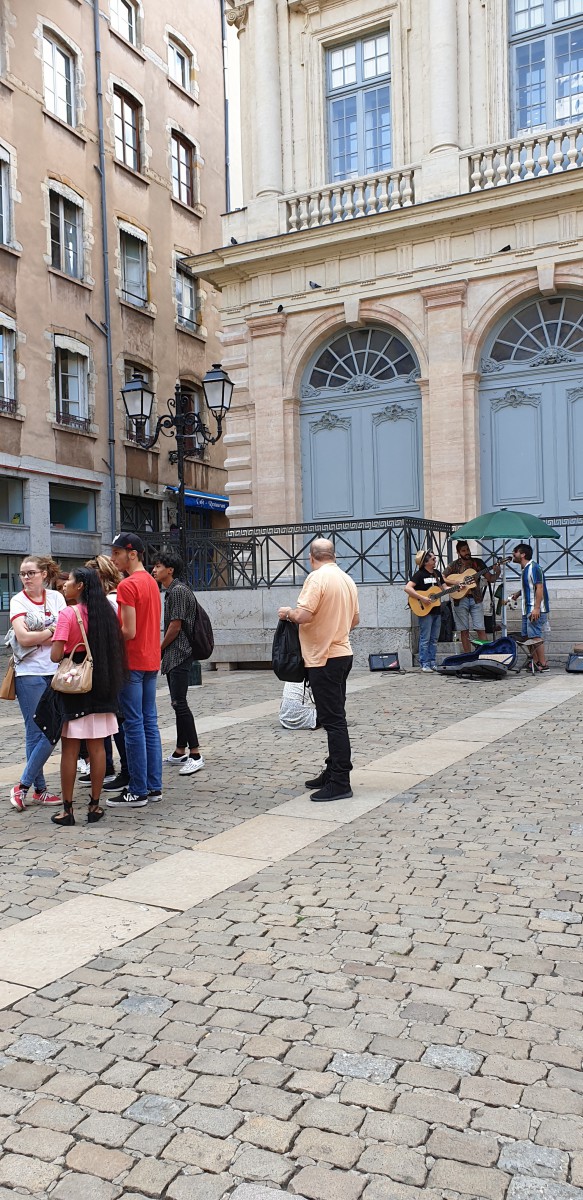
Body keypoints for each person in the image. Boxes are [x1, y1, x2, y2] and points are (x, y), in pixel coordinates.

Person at [278, 538, 359, 803]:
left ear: (311, 557)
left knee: (333, 721)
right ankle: (332, 770)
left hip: (323, 658)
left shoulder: (316, 578)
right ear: (333, 555)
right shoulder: (347, 579)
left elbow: (304, 615)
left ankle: (340, 782)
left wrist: (287, 612)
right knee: (333, 716)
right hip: (342, 653)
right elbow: (355, 619)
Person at [49, 567, 127, 827]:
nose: (64, 585)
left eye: (69, 580)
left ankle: (68, 810)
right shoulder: (107, 613)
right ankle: (94, 806)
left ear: (80, 585)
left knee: (70, 749)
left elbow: (55, 655)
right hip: (102, 684)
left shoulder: (67, 614)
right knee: (98, 747)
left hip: (75, 685)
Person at [107, 532, 163, 809]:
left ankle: (138, 790)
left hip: (132, 662)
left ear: (132, 553)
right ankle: (153, 787)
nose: (112, 558)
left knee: (133, 726)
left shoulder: (128, 585)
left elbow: (128, 631)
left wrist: (105, 637)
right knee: (148, 724)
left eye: (116, 553)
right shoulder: (152, 582)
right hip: (150, 660)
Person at [9, 556, 66, 811]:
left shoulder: (56, 598)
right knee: (36, 731)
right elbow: (22, 637)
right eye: (22, 574)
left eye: (31, 573)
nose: (26, 578)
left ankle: (24, 786)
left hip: (55, 671)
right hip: (28, 673)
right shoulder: (17, 601)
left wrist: (41, 635)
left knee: (53, 728)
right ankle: (37, 790)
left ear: (44, 574)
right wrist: (51, 633)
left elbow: (65, 633)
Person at [151, 551, 204, 776]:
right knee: (176, 702)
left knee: (179, 703)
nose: (154, 569)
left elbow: (175, 626)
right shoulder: (172, 591)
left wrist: (158, 648)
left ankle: (195, 754)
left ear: (170, 569)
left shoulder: (179, 591)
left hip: (180, 653)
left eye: (158, 566)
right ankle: (180, 750)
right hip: (175, 654)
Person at [84, 555, 129, 791]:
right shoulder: (113, 598)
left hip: (112, 669)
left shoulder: (110, 601)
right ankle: (113, 767)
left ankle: (127, 770)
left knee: (118, 722)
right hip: (114, 667)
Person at [444, 540, 500, 653]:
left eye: (468, 549)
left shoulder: (477, 563)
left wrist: (497, 572)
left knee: (480, 628)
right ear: (458, 552)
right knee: (464, 630)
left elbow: (490, 579)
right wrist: (455, 583)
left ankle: (484, 654)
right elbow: (442, 577)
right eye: (463, 551)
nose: (467, 552)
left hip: (476, 599)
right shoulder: (454, 565)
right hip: (459, 600)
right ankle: (467, 655)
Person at [510, 543, 550, 671]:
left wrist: (537, 608)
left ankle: (543, 664)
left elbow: (539, 587)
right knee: (527, 636)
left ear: (523, 554)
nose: (513, 555)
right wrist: (517, 594)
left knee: (535, 635)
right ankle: (535, 661)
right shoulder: (525, 569)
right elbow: (530, 586)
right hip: (526, 608)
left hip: (534, 608)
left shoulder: (534, 567)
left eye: (515, 552)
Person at [404, 549, 446, 672]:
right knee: (425, 638)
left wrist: (457, 588)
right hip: (425, 610)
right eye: (433, 559)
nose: (435, 560)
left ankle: (433, 662)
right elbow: (407, 588)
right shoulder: (419, 575)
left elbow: (444, 588)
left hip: (436, 609)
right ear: (426, 562)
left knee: (434, 639)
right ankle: (424, 663)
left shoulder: (437, 574)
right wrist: (422, 597)